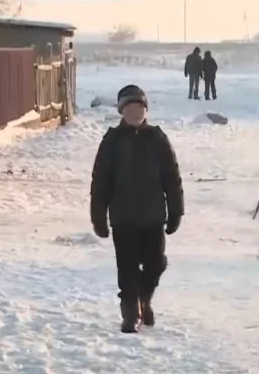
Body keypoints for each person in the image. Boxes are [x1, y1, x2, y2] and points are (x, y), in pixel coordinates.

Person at [89, 84, 184, 333]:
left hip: (153, 217)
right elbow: (100, 181)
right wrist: (97, 215)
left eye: (140, 107)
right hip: (123, 218)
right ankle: (130, 313)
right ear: (122, 111)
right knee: (127, 268)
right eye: (130, 107)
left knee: (155, 264)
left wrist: (176, 211)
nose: (136, 111)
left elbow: (172, 178)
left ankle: (144, 299)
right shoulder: (112, 141)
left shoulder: (158, 139)